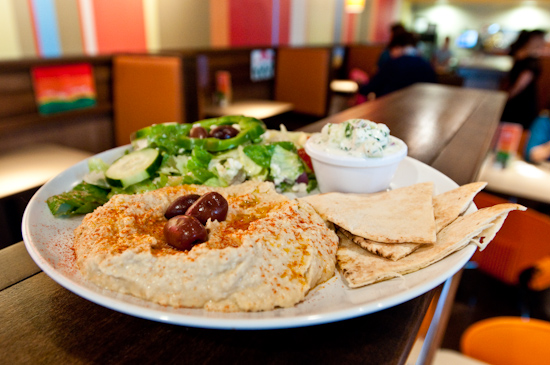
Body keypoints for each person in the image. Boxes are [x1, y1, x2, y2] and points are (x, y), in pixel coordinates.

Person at [359, 32, 437, 98]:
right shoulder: (427, 65)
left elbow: (370, 88)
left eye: (391, 50)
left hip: (388, 110)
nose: (390, 54)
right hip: (419, 111)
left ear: (397, 47)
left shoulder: (392, 64)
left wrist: (360, 84)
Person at [501, 30, 546, 130]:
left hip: (523, 98)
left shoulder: (523, 54)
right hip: (523, 100)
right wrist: (509, 96)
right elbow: (521, 83)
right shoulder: (530, 58)